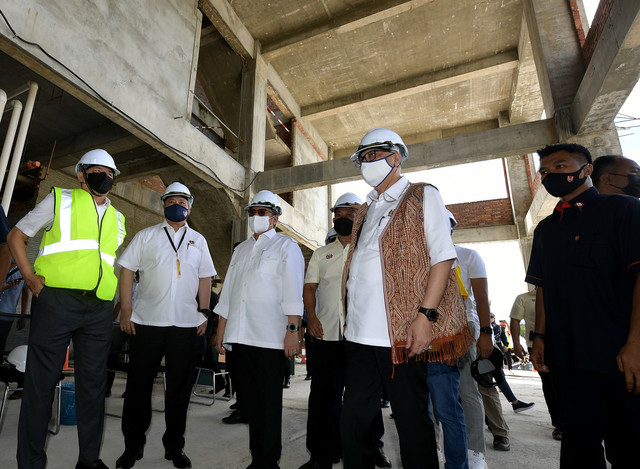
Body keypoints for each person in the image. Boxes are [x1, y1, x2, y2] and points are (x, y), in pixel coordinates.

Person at [340, 128, 472, 469]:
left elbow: (442, 258)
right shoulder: (366, 208)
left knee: (411, 421)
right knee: (355, 419)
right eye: (362, 158)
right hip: (358, 335)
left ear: (396, 157)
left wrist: (425, 315)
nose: (367, 163)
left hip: (398, 334)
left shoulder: (421, 195)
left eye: (374, 155)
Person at [7, 149, 126, 469]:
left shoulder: (118, 217)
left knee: (93, 387)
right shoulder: (60, 199)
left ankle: (89, 460)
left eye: (110, 172)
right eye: (97, 170)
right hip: (57, 302)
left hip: (99, 307)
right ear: (81, 174)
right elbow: (16, 235)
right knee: (40, 384)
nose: (105, 175)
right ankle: (30, 463)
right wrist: (29, 276)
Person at [527, 143, 640, 468]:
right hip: (568, 358)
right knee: (579, 445)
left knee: (628, 445)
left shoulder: (623, 210)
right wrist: (540, 337)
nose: (552, 175)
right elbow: (543, 287)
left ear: (587, 169)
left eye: (561, 166)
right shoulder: (546, 230)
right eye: (546, 172)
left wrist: (635, 344)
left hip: (619, 356)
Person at [116, 182, 215, 469]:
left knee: (179, 391)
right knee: (137, 389)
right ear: (163, 205)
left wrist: (204, 312)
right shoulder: (146, 236)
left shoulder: (199, 240)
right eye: (171, 200)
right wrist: (126, 309)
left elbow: (205, 277)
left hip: (185, 326)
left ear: (190, 206)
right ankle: (132, 448)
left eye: (182, 200)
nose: (177, 204)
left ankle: (175, 447)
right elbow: (126, 271)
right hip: (146, 323)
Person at [214, 190, 304, 469]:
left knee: (268, 406)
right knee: (250, 405)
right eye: (252, 212)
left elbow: (292, 293)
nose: (256, 217)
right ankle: (258, 459)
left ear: (274, 218)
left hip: (269, 338)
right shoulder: (240, 250)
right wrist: (221, 333)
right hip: (239, 337)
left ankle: (267, 462)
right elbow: (228, 294)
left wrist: (292, 330)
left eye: (262, 213)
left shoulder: (286, 247)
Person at [300, 193, 391, 469]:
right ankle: (321, 455)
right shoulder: (321, 254)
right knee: (322, 398)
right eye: (338, 214)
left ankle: (373, 449)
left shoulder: (369, 250)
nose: (343, 218)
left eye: (350, 213)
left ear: (360, 216)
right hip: (327, 336)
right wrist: (311, 317)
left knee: (366, 399)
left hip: (360, 338)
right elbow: (309, 288)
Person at [509, 288, 563, 440]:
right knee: (550, 384)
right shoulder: (523, 298)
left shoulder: (561, 293)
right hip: (537, 347)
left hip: (562, 345)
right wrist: (516, 344)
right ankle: (559, 424)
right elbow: (515, 320)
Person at [0, 261, 29, 356]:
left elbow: (25, 293)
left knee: (1, 343)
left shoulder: (23, 271)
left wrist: (23, 316)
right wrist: (8, 285)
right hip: (6, 314)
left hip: (7, 315)